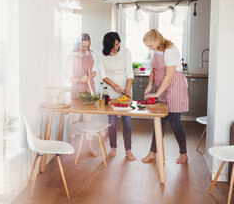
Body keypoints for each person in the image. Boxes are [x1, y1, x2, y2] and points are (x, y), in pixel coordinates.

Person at [141, 28, 189, 164]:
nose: (150, 48)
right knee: (159, 121)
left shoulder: (170, 50)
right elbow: (153, 70)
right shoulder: (156, 51)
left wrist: (156, 94)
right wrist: (150, 85)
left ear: (157, 40)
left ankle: (183, 154)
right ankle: (152, 153)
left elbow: (169, 76)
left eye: (150, 45)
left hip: (174, 87)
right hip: (161, 87)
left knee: (175, 122)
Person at [98, 32, 136, 161]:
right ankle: (113, 147)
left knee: (127, 122)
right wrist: (115, 86)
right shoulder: (102, 55)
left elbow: (129, 72)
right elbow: (103, 75)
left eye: (117, 44)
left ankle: (128, 150)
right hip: (111, 90)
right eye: (113, 46)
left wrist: (127, 89)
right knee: (112, 123)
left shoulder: (126, 52)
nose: (115, 48)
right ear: (107, 45)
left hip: (126, 88)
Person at [65, 33, 99, 157]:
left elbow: (94, 69)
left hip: (89, 89)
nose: (85, 48)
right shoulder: (71, 57)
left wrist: (93, 73)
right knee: (75, 118)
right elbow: (67, 77)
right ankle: (72, 142)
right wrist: (80, 79)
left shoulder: (91, 54)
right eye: (82, 46)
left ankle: (89, 146)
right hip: (77, 90)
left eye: (87, 46)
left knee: (88, 118)